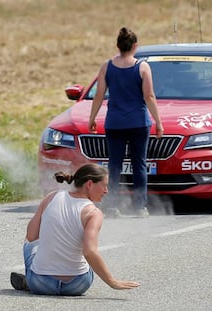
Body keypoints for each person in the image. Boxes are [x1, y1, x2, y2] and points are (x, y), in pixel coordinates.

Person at [10, 163, 140, 295]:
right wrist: (113, 282)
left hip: (41, 283)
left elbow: (31, 236)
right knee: (85, 262)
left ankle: (29, 281)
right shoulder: (94, 213)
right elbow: (89, 251)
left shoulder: (52, 197)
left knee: (29, 246)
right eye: (104, 185)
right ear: (89, 184)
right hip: (77, 284)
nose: (106, 191)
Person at [88, 27, 164, 218]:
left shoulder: (107, 67)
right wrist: (158, 122)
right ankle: (139, 207)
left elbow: (98, 95)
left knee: (114, 165)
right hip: (139, 122)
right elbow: (149, 96)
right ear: (135, 46)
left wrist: (92, 118)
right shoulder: (142, 67)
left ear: (118, 46)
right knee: (139, 164)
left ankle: (112, 205)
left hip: (114, 123)